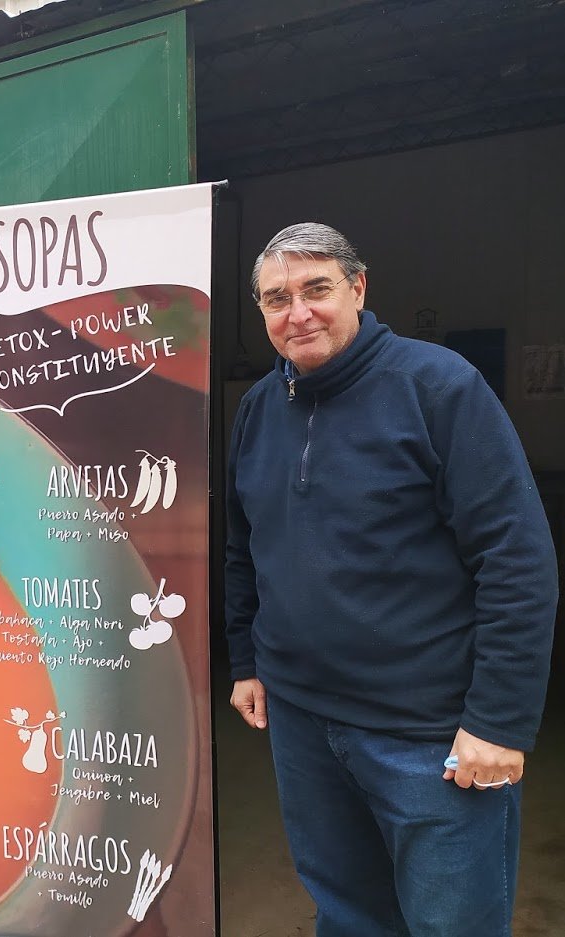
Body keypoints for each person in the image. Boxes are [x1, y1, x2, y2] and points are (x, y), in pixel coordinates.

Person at [225, 223, 558, 937]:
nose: (298, 313)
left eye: (316, 288)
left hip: (428, 734)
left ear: (358, 287)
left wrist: (498, 720)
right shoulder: (257, 408)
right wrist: (247, 659)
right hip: (303, 723)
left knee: (453, 923)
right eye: (276, 298)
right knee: (347, 914)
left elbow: (516, 558)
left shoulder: (437, 387)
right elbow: (244, 545)